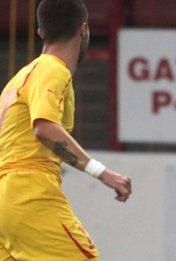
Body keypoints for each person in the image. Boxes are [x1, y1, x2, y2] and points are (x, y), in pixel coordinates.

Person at [0, 0, 131, 260]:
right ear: (83, 30)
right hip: (28, 191)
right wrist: (102, 173)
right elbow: (44, 128)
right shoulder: (52, 70)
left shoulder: (19, 78)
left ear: (41, 33)